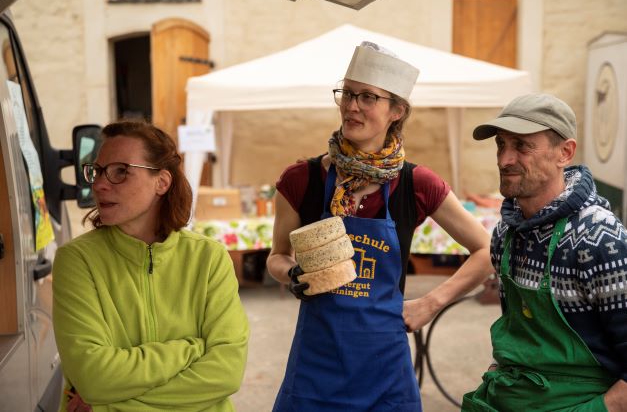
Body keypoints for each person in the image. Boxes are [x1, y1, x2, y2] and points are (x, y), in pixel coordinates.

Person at [267, 41, 494, 411]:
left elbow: (486, 250)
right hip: (316, 362)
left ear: (397, 111)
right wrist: (292, 273)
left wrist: (431, 303)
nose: (352, 106)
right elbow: (276, 256)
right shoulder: (301, 179)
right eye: (347, 93)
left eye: (368, 97)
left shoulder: (416, 183)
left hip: (384, 366)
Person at [52, 121, 249, 412]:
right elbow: (94, 377)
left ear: (162, 182)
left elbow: (226, 372)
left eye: (120, 171)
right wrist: (190, 349)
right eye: (97, 171)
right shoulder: (77, 261)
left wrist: (107, 407)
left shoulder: (209, 258)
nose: (99, 184)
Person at [462, 93, 627, 411]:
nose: (503, 159)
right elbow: (519, 329)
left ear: (565, 152)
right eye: (501, 144)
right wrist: (499, 368)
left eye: (521, 146)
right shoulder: (505, 234)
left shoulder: (598, 240)